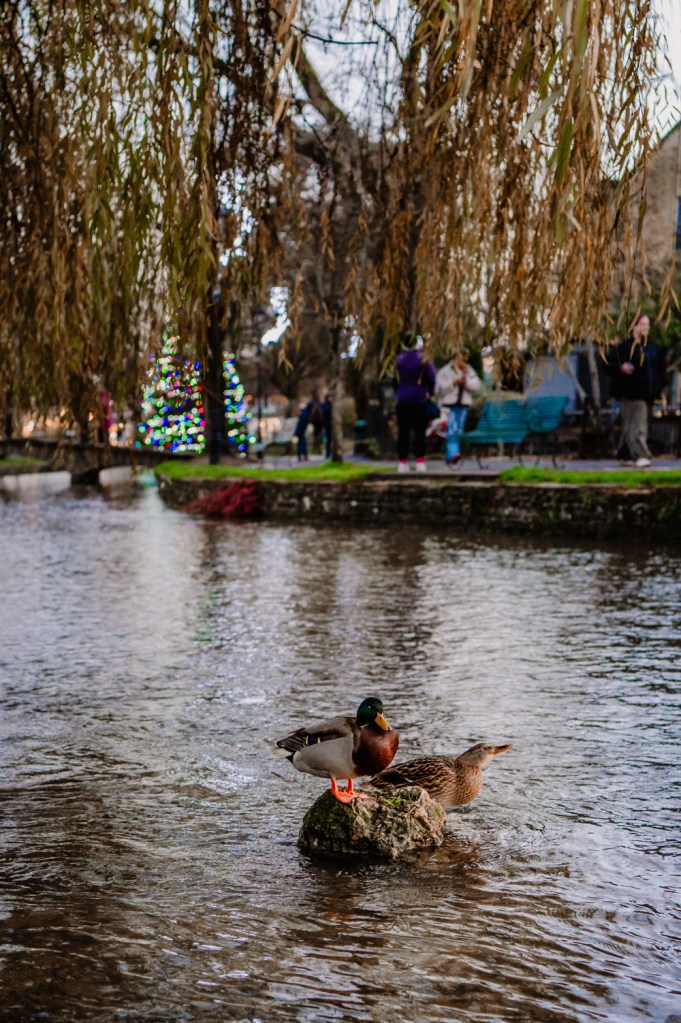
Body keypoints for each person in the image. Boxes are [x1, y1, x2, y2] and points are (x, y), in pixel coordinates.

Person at [606, 313, 667, 467]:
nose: (646, 327)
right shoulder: (625, 348)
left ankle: (625, 454)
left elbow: (661, 370)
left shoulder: (653, 348)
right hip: (632, 394)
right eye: (642, 324)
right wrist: (621, 368)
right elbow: (607, 364)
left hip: (649, 395)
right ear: (634, 326)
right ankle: (641, 455)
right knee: (637, 426)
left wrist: (659, 388)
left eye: (647, 324)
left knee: (640, 425)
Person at [395, 337, 436, 472]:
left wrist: (399, 392)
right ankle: (420, 461)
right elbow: (431, 378)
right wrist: (430, 392)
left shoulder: (399, 360)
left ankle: (403, 462)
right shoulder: (423, 359)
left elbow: (393, 380)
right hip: (419, 399)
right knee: (419, 431)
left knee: (403, 432)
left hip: (402, 400)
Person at [434, 352, 481, 466]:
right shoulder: (445, 371)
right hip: (449, 405)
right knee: (452, 430)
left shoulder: (469, 371)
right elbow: (438, 389)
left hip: (463, 405)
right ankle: (453, 454)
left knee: (458, 430)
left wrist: (466, 382)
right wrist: (453, 383)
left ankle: (451, 456)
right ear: (454, 358)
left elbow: (476, 387)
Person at [321, 393, 333, 460]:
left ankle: (330, 452)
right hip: (327, 426)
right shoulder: (325, 405)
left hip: (331, 426)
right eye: (329, 398)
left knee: (330, 440)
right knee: (327, 440)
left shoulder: (332, 405)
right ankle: (328, 453)